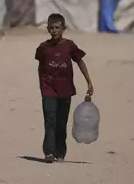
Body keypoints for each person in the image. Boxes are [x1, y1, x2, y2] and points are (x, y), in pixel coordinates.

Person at [35, 13, 94, 163]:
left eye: (57, 28)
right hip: (48, 89)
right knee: (50, 120)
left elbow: (79, 61)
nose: (54, 31)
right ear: (48, 29)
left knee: (61, 122)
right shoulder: (43, 48)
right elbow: (40, 67)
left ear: (63, 28)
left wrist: (89, 81)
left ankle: (60, 152)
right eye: (51, 28)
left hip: (65, 90)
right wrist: (43, 85)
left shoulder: (69, 46)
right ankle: (48, 153)